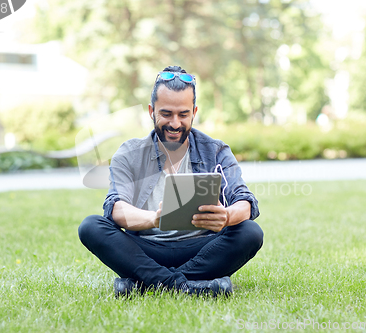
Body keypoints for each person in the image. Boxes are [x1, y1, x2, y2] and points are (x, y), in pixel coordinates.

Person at [78, 65, 263, 297]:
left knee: (250, 232)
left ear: (194, 112)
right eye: (166, 114)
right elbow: (115, 208)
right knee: (91, 227)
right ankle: (190, 287)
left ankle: (146, 284)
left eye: (183, 114)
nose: (175, 123)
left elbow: (245, 202)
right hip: (146, 248)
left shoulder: (215, 151)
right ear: (151, 110)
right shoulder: (129, 153)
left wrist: (226, 217)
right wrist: (154, 219)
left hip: (202, 248)